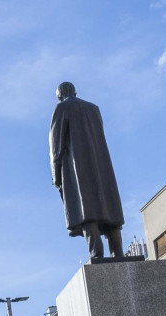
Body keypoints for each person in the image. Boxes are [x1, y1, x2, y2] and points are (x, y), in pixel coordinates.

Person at [49, 81, 125, 259]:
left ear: (60, 95)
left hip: (78, 169)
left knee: (86, 208)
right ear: (75, 92)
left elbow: (56, 146)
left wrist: (56, 175)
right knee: (109, 209)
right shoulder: (93, 109)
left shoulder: (61, 108)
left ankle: (96, 255)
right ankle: (118, 253)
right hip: (102, 167)